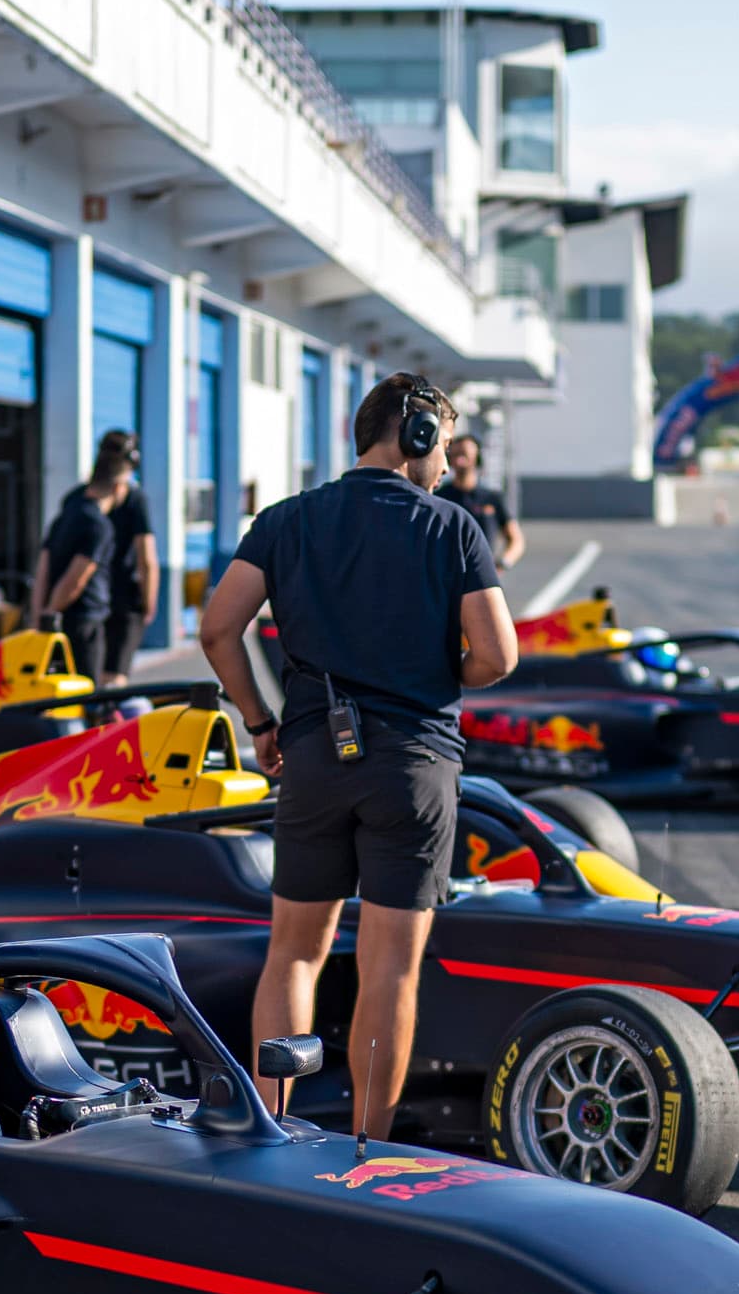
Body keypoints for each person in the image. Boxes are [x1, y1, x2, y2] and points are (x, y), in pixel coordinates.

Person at [197, 373, 518, 1138]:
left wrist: (259, 722)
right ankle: (368, 1146)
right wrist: (447, 672)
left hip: (312, 756)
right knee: (389, 969)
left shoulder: (287, 520)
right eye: (441, 444)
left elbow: (217, 630)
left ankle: (270, 1131)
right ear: (416, 437)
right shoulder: (452, 527)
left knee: (294, 958)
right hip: (413, 768)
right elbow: (499, 656)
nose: (443, 464)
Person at [33, 452, 124, 675]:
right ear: (118, 487)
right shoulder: (99, 526)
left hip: (56, 619)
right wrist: (50, 616)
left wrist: (40, 617)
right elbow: (77, 578)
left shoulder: (65, 515)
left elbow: (43, 568)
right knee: (88, 694)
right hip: (84, 621)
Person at [93, 429, 158, 683]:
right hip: (125, 599)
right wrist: (149, 602)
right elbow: (147, 558)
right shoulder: (134, 499)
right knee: (115, 677)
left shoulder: (83, 497)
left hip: (91, 600)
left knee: (91, 675)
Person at [435, 434, 522, 570]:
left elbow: (516, 540)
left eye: (464, 453)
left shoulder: (492, 497)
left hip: (482, 573)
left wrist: (503, 563)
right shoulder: (439, 497)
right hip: (447, 575)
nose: (460, 459)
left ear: (477, 458)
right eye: (455, 454)